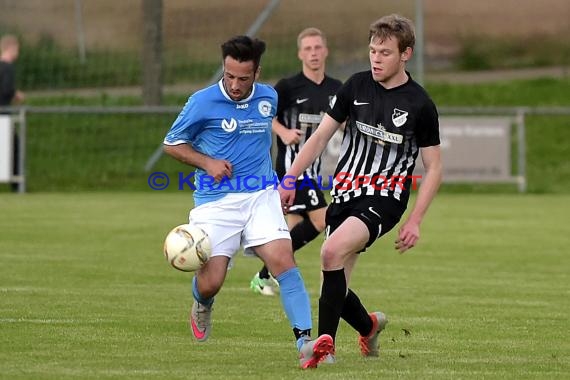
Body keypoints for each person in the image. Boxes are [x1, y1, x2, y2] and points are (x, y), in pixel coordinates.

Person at [162, 35, 334, 369]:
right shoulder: (202, 102)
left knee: (283, 259)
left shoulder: (268, 97)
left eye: (243, 78)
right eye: (229, 76)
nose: (235, 85)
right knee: (212, 281)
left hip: (260, 196)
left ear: (257, 73)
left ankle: (305, 343)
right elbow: (172, 144)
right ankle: (201, 302)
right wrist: (207, 163)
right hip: (216, 202)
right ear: (223, 68)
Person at [279, 14, 442, 361]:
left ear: (406, 54)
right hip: (345, 194)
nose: (376, 59)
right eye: (372, 51)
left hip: (385, 199)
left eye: (385, 52)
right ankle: (368, 327)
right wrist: (290, 178)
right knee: (333, 283)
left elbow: (435, 168)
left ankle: (322, 348)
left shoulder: (420, 104)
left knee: (329, 252)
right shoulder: (355, 86)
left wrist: (415, 220)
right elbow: (321, 136)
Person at [249, 27, 343, 296]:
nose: (313, 53)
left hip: (313, 170)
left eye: (317, 47)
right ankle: (265, 272)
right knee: (323, 218)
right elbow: (266, 115)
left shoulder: (337, 89)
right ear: (300, 54)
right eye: (308, 49)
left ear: (325, 51)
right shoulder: (288, 87)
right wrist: (284, 132)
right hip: (291, 169)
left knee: (290, 230)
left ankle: (267, 276)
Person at [0, 34, 25, 192]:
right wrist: (16, 94)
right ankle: (17, 186)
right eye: (17, 49)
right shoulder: (8, 67)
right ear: (11, 48)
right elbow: (6, 90)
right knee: (15, 148)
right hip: (3, 113)